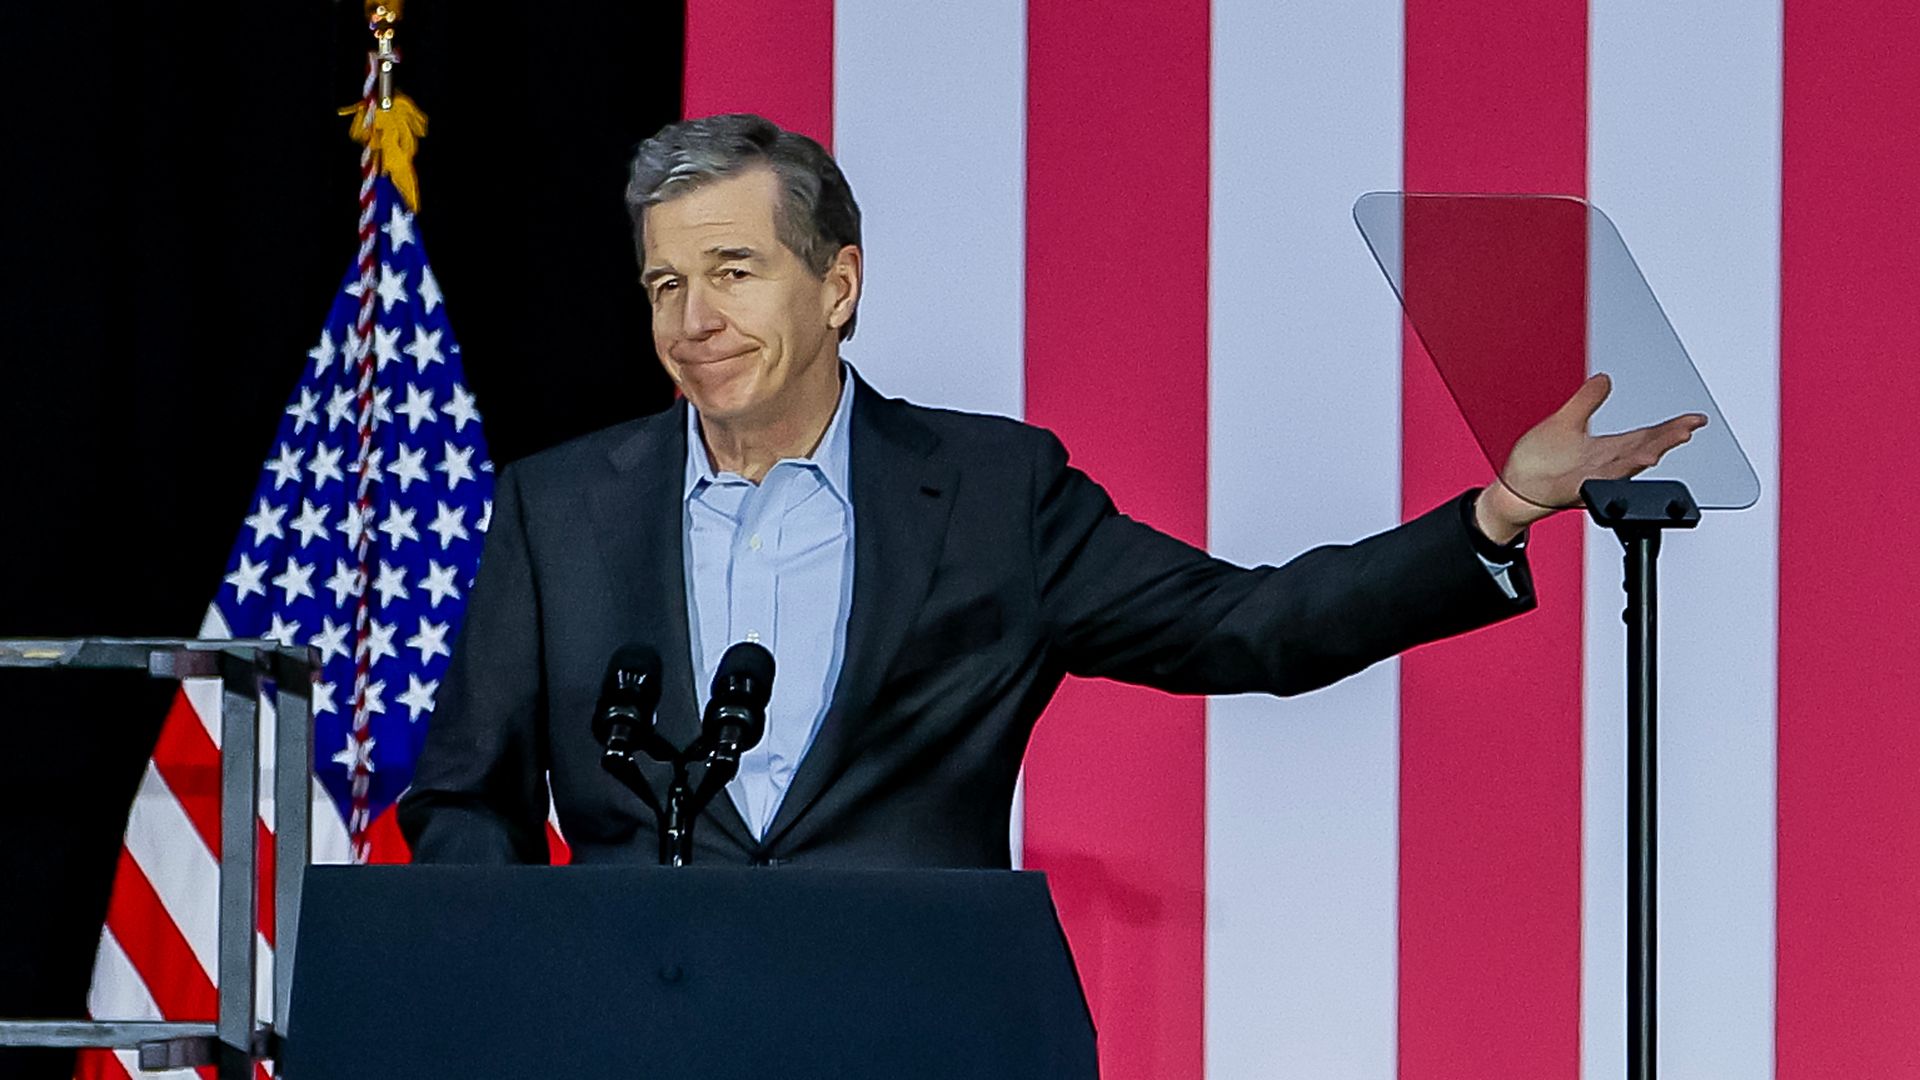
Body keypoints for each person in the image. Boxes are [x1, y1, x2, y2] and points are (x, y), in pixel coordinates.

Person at [397, 113, 1703, 867]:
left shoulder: (987, 495)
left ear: (837, 284)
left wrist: (1497, 513)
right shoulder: (556, 508)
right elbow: (465, 795)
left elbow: (1249, 628)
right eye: (666, 284)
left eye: (733, 272)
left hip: (920, 1039)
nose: (694, 318)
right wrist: (538, 983)